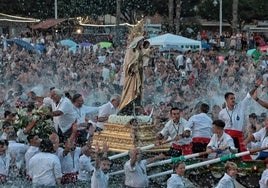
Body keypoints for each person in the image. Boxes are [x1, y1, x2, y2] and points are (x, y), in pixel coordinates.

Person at [218, 78, 262, 160]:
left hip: (238, 137)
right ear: (226, 100)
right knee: (226, 157)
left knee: (242, 158)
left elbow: (248, 96)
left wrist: (255, 87)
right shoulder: (222, 113)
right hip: (227, 138)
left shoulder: (240, 107)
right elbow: (220, 127)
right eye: (231, 98)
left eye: (234, 98)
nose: (233, 100)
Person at [119, 36, 144, 115]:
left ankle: (136, 106)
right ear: (137, 41)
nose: (142, 42)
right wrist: (134, 67)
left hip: (138, 74)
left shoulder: (139, 50)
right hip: (132, 75)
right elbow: (129, 63)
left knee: (138, 91)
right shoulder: (130, 50)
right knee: (131, 90)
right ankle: (127, 106)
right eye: (141, 40)